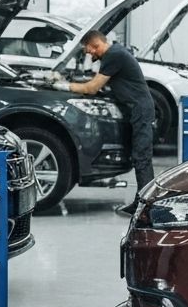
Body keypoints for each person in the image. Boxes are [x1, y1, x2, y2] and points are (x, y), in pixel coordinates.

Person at [47, 29, 155, 216]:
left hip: (140, 110)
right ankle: (142, 203)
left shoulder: (114, 55)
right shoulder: (114, 53)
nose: (88, 54)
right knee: (137, 157)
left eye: (88, 50)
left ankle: (147, 207)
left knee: (142, 158)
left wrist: (62, 85)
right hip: (135, 110)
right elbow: (97, 80)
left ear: (95, 45)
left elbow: (92, 88)